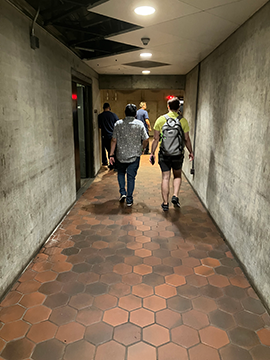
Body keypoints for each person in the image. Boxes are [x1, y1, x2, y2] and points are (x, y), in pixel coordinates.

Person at [150, 97, 194, 211]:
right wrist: (191, 151)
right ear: (178, 107)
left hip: (164, 153)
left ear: (168, 107)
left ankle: (165, 203)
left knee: (165, 177)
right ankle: (175, 196)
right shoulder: (183, 121)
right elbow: (186, 139)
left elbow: (155, 139)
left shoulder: (160, 120)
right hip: (178, 154)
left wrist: (152, 153)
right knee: (177, 175)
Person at [109, 104, 149, 207]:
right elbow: (146, 139)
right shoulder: (139, 124)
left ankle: (122, 193)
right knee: (131, 178)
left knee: (121, 174)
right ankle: (129, 199)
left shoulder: (118, 124)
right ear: (135, 113)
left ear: (125, 113)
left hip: (120, 155)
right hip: (134, 156)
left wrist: (111, 154)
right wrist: (142, 148)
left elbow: (114, 140)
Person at [98, 103, 119, 168]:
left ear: (103, 108)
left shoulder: (100, 116)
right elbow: (118, 124)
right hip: (113, 135)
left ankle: (110, 163)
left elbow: (99, 126)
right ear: (109, 107)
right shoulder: (113, 115)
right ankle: (115, 164)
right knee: (114, 150)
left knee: (108, 150)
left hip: (105, 136)